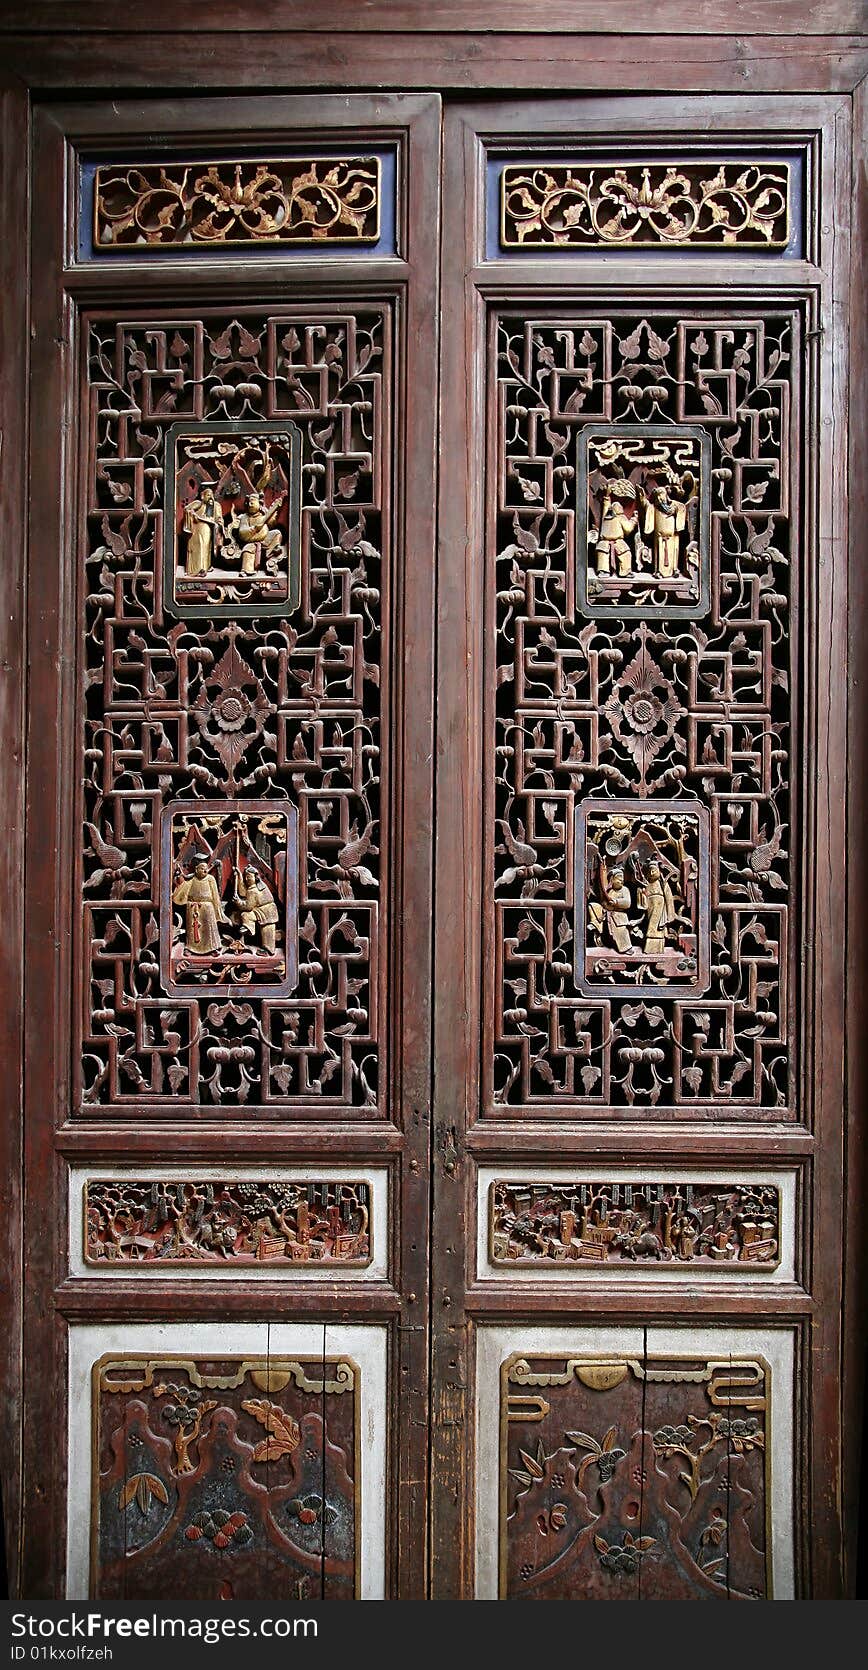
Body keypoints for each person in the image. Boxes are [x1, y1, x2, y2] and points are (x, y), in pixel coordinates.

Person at [172, 859, 227, 956]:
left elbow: (215, 896)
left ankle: (212, 948)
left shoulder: (210, 879)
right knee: (193, 930)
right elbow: (182, 893)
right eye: (202, 869)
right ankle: (190, 948)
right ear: (196, 870)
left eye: (206, 869)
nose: (205, 871)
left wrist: (217, 911)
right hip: (193, 908)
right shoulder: (192, 880)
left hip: (207, 908)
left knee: (209, 929)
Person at [230, 491, 286, 576]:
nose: (250, 504)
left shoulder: (264, 515)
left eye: (252, 501)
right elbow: (242, 532)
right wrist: (253, 529)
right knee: (247, 550)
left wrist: (274, 511)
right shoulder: (245, 517)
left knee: (276, 533)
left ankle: (272, 554)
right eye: (248, 502)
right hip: (252, 541)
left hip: (265, 539)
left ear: (259, 504)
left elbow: (272, 523)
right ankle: (247, 571)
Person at [641, 484, 687, 579]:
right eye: (657, 495)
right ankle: (658, 571)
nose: (659, 497)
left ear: (666, 495)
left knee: (673, 553)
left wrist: (675, 511)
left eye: (661, 494)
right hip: (659, 537)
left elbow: (682, 508)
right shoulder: (654, 508)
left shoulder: (674, 506)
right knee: (659, 553)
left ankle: (674, 569)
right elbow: (645, 505)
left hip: (672, 537)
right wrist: (642, 497)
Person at [588, 859, 633, 953]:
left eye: (622, 878)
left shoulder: (624, 890)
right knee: (592, 906)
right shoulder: (609, 891)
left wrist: (616, 902)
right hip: (607, 915)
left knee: (621, 934)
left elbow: (627, 902)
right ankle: (595, 925)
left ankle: (626, 948)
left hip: (618, 916)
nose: (621, 880)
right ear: (611, 879)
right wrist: (606, 904)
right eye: (619, 878)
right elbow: (604, 903)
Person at [233, 865, 280, 954]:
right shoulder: (260, 885)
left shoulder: (253, 891)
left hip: (266, 913)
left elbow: (248, 906)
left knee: (268, 934)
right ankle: (249, 927)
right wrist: (239, 875)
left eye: (249, 877)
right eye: (246, 877)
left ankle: (268, 951)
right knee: (246, 915)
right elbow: (243, 892)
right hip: (262, 911)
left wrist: (238, 902)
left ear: (255, 877)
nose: (247, 879)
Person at [636, 858, 677, 955]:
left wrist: (670, 915)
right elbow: (643, 903)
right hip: (650, 906)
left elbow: (669, 899)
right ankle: (650, 947)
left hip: (660, 906)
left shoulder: (663, 884)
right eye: (650, 871)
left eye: (654, 870)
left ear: (659, 871)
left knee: (656, 927)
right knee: (650, 924)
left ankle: (656, 947)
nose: (652, 872)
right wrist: (641, 894)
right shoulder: (647, 885)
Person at [594, 490, 638, 577]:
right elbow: (628, 529)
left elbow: (606, 507)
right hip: (616, 541)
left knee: (604, 553)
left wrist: (607, 497)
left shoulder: (606, 516)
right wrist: (633, 520)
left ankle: (604, 571)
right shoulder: (621, 517)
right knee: (626, 553)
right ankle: (624, 571)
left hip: (607, 542)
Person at [182, 485, 224, 576]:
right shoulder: (199, 503)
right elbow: (187, 509)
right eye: (208, 495)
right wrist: (192, 514)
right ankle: (194, 570)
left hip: (207, 529)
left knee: (205, 547)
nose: (210, 497)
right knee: (196, 547)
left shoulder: (215, 506)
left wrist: (218, 524)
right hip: (196, 529)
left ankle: (204, 568)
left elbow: (219, 519)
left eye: (211, 495)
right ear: (202, 496)